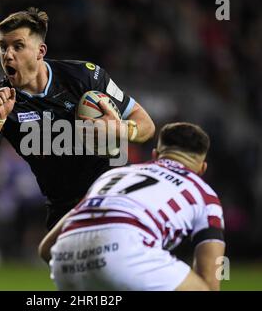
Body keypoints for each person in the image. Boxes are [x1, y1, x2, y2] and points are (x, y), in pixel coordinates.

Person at [0, 7, 155, 229]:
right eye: (3, 47)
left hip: (115, 192)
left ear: (40, 51)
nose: (8, 54)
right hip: (65, 208)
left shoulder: (84, 77)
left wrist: (121, 129)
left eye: (18, 46)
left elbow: (146, 123)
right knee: (50, 255)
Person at [38, 122, 225, 291]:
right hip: (125, 251)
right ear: (202, 169)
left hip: (65, 259)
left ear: (155, 155)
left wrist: (80, 265)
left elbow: (46, 248)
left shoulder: (113, 176)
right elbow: (211, 279)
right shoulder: (205, 194)